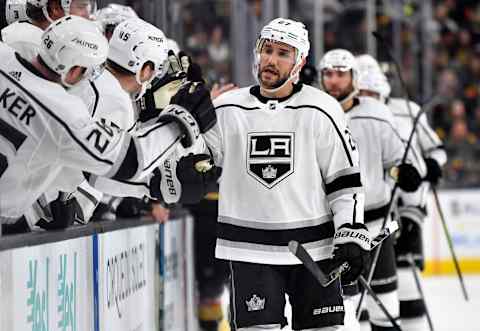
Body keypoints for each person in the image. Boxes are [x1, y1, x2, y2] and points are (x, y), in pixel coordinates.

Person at [201, 18, 371, 331]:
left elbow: (345, 183)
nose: (271, 60)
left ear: (299, 62)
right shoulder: (226, 110)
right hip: (249, 251)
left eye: (282, 53)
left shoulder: (322, 109)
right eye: (267, 50)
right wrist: (192, 124)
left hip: (315, 251)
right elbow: (195, 169)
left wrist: (350, 234)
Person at [0, 15, 218, 225]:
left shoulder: (5, 55)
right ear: (75, 70)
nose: (93, 77)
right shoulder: (66, 113)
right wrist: (179, 120)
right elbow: (126, 160)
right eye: (92, 70)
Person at [318, 49, 423, 331]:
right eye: (328, 74)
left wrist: (404, 173)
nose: (334, 80)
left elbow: (395, 161)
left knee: (385, 309)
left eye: (341, 74)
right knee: (340, 313)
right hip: (332, 230)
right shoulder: (313, 114)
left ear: (354, 78)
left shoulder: (377, 114)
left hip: (376, 226)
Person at [356, 54, 447, 331]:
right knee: (369, 296)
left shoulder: (406, 110)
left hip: (405, 210)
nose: (367, 96)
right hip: (372, 214)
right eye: (362, 91)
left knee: (406, 285)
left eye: (371, 91)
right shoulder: (347, 114)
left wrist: (432, 164)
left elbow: (435, 150)